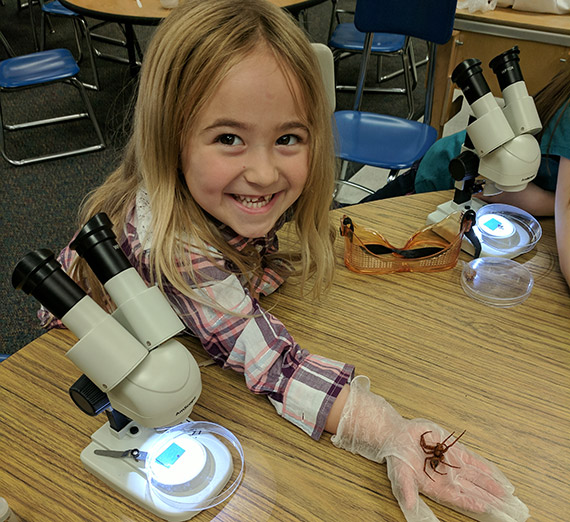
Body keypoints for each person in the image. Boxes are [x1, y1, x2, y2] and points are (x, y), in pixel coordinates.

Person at [38, 1, 529, 520]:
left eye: (288, 138)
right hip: (70, 366)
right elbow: (271, 360)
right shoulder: (173, 243)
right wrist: (385, 429)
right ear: (170, 138)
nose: (266, 172)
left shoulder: (223, 198)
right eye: (229, 138)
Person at [361, 68, 570, 285]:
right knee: (360, 225)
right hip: (443, 176)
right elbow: (501, 192)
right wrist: (554, 204)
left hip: (498, 185)